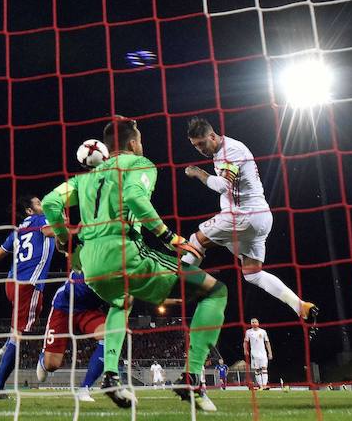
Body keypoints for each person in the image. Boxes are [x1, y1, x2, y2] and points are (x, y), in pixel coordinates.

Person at [42, 116, 226, 412]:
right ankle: (192, 377)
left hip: (90, 266)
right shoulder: (140, 164)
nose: (142, 144)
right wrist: (171, 238)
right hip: (124, 253)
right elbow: (134, 197)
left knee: (121, 301)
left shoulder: (84, 178)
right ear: (132, 143)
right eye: (139, 140)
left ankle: (111, 374)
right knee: (215, 290)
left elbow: (51, 202)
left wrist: (65, 239)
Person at [182, 117, 317, 324]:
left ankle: (174, 283)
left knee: (196, 240)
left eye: (201, 143)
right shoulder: (221, 152)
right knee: (253, 274)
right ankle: (301, 306)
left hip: (245, 216)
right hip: (259, 219)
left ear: (212, 135)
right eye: (195, 146)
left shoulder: (232, 150)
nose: (199, 149)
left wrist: (199, 173)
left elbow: (223, 186)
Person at [0, 196, 55, 397]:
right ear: (30, 211)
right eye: (39, 203)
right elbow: (52, 232)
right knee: (19, 335)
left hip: (11, 284)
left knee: (30, 317)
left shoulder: (17, 231)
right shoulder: (42, 220)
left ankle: (7, 344)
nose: (43, 205)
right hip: (28, 285)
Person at [36, 270, 107, 402]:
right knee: (52, 365)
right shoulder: (92, 258)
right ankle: (43, 360)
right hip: (64, 306)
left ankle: (84, 389)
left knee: (109, 335)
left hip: (88, 310)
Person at [243, 318, 272, 389]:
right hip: (254, 353)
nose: (254, 323)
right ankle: (260, 385)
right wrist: (245, 350)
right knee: (257, 369)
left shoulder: (263, 332)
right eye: (252, 322)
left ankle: (264, 385)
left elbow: (267, 342)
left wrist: (270, 353)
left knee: (264, 368)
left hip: (263, 352)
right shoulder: (248, 332)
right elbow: (245, 342)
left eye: (255, 322)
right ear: (251, 324)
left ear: (258, 323)